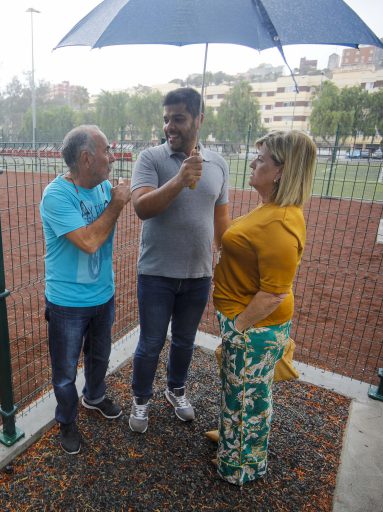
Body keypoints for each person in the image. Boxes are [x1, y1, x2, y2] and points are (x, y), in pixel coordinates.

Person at [213, 130, 317, 485]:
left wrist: (237, 328)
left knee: (247, 398)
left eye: (262, 159)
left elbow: (274, 293)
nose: (254, 163)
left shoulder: (280, 224)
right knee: (242, 390)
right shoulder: (272, 209)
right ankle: (233, 439)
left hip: (253, 326)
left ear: (281, 172)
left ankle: (240, 466)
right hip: (247, 321)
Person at [128, 87, 230, 433]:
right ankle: (141, 400)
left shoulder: (218, 165)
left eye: (179, 118)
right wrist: (179, 178)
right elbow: (142, 207)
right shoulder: (150, 159)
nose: (170, 126)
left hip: (198, 275)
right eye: (166, 119)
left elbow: (221, 222)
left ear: (199, 119)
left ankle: (176, 390)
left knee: (185, 340)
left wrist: (221, 260)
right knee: (151, 342)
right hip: (156, 273)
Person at [40, 125, 131, 454]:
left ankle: (94, 396)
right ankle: (66, 420)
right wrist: (117, 203)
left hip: (102, 296)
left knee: (100, 356)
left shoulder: (104, 186)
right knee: (64, 371)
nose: (112, 157)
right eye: (107, 150)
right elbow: (90, 242)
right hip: (67, 303)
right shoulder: (56, 196)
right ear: (86, 158)